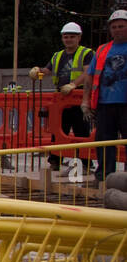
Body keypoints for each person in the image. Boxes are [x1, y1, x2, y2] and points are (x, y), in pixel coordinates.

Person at [32, 21, 94, 170]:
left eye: (72, 36)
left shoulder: (86, 53)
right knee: (58, 130)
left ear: (79, 37)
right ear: (62, 38)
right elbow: (47, 70)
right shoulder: (58, 56)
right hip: (61, 98)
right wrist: (37, 72)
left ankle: (84, 163)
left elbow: (88, 73)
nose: (68, 39)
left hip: (79, 97)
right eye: (66, 37)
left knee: (81, 131)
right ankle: (55, 161)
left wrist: (73, 84)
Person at [74, 9, 127, 184]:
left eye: (121, 26)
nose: (118, 29)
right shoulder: (103, 50)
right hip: (105, 104)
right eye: (114, 27)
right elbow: (90, 76)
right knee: (104, 141)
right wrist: (85, 100)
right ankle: (104, 176)